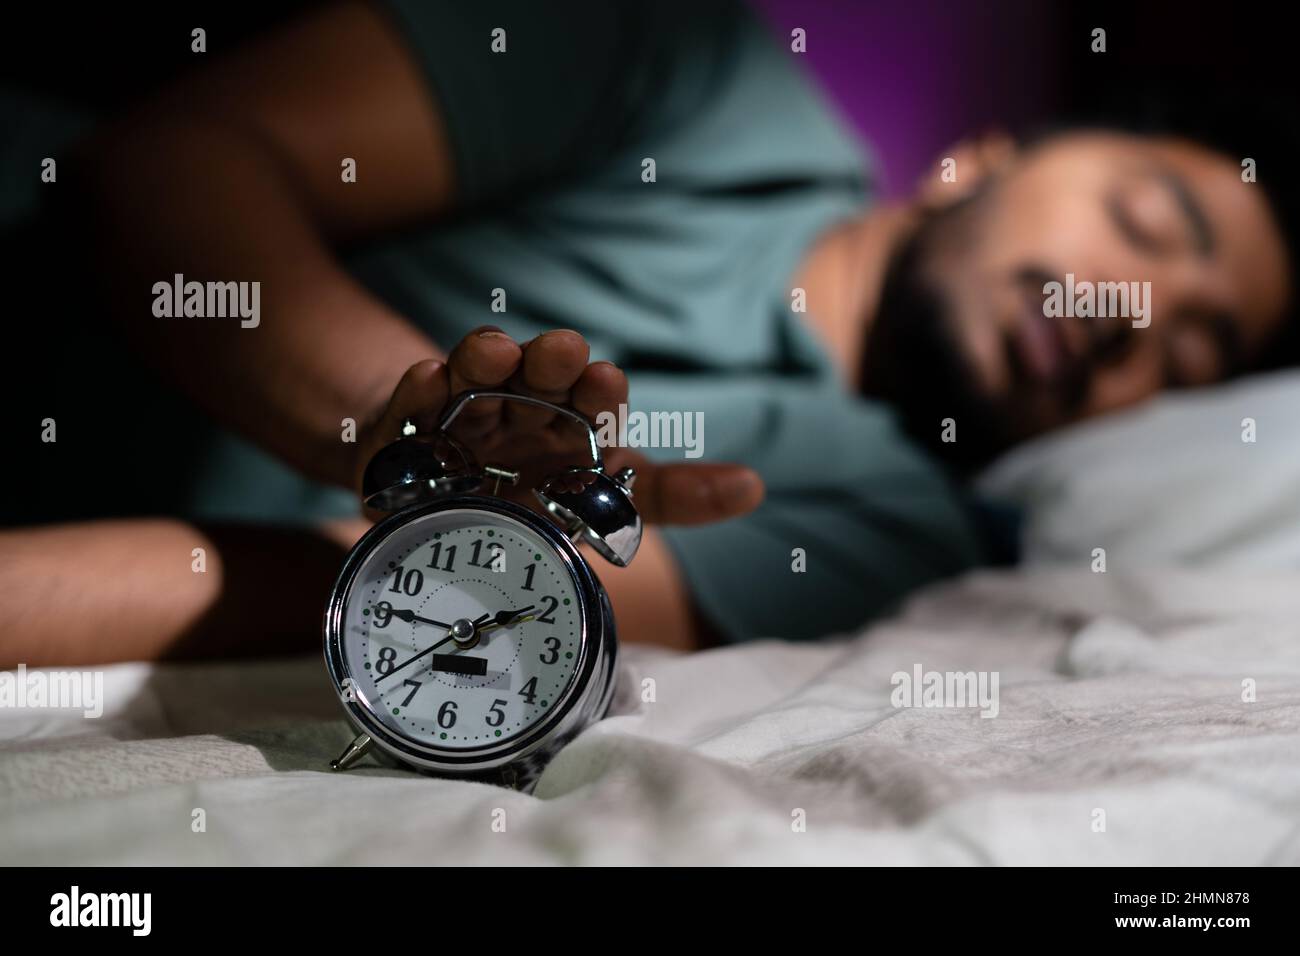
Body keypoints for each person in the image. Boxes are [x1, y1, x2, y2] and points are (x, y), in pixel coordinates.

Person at [1, 0, 1293, 665]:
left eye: (1192, 349)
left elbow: (352, 599)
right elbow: (173, 165)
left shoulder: (885, 530)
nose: (1132, 316)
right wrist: (408, 433)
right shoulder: (677, 62)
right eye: (1141, 224)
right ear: (973, 164)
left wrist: (447, 522)